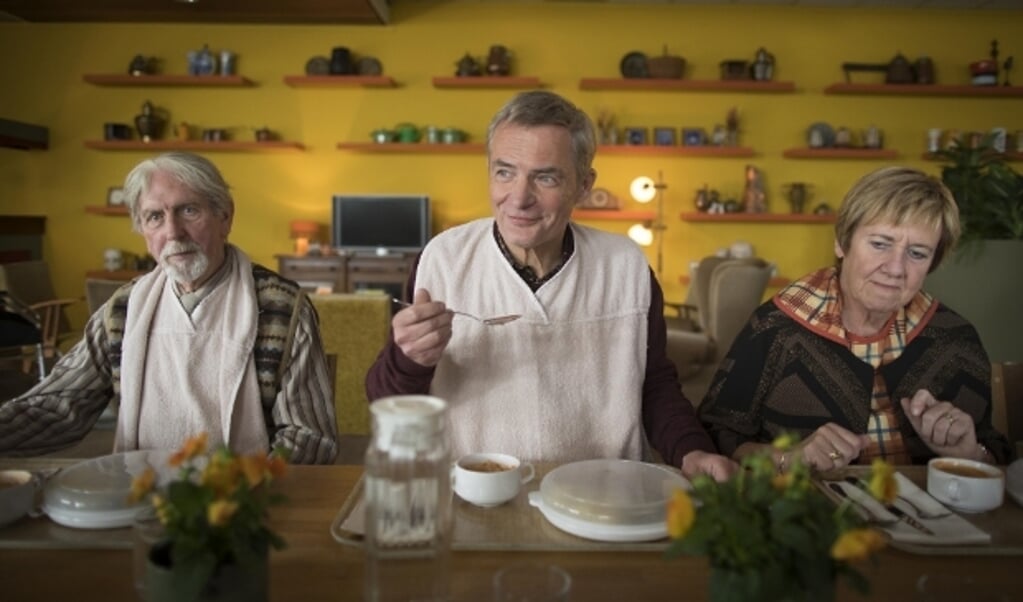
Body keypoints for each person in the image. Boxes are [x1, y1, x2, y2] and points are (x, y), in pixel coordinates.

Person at [365, 90, 736, 481]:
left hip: (603, 496)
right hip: (473, 493)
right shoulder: (441, 260)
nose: (519, 198)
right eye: (504, 171)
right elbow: (383, 401)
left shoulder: (626, 267)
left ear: (582, 184)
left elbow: (655, 386)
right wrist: (410, 361)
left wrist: (692, 451)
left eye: (545, 177)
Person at [0, 152, 338, 464]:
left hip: (245, 507)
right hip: (140, 496)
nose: (173, 232)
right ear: (143, 230)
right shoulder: (123, 309)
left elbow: (309, 437)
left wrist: (240, 493)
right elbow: (60, 406)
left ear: (225, 216)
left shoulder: (282, 308)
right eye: (154, 217)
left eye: (189, 210)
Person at [698, 166, 1013, 471]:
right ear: (842, 242)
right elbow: (716, 437)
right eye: (880, 244)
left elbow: (995, 453)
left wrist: (969, 453)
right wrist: (788, 458)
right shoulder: (775, 328)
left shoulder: (955, 339)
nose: (895, 268)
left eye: (917, 253)